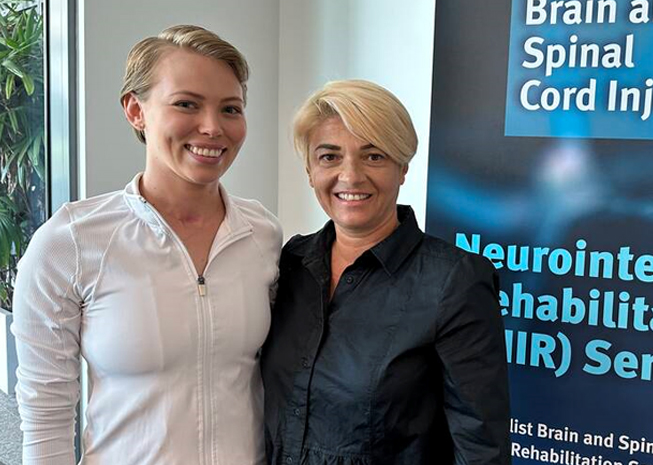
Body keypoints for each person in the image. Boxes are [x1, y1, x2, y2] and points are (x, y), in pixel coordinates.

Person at [12, 25, 282, 464]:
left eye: (230, 108)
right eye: (186, 104)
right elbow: (45, 411)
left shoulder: (263, 234)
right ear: (136, 110)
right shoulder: (70, 243)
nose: (212, 127)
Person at [260, 79, 511, 464]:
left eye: (373, 155)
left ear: (402, 167)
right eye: (329, 157)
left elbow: (481, 448)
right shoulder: (290, 263)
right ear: (310, 170)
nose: (351, 176)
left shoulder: (454, 281)